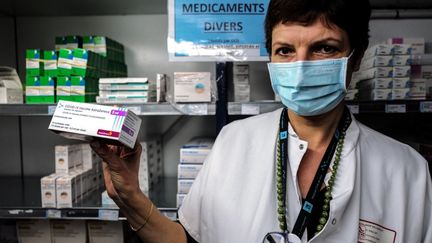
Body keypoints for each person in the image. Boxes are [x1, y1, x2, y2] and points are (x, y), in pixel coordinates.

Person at [91, 0, 432, 242]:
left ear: (355, 58)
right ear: (269, 55)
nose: (301, 66)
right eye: (285, 51)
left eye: (324, 48)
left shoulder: (406, 170)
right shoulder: (233, 142)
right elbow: (188, 239)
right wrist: (131, 196)